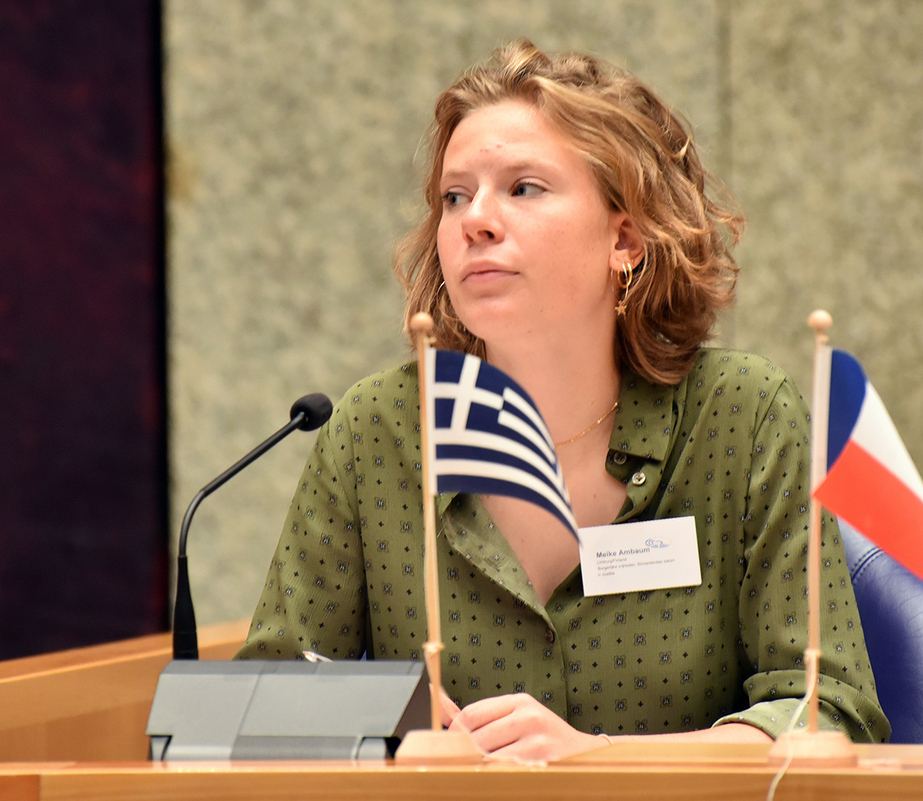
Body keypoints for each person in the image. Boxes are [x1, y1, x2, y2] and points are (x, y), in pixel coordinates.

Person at [234, 39, 889, 760]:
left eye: (523, 188)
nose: (474, 220)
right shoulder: (377, 431)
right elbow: (262, 705)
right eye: (456, 196)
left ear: (627, 237)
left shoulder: (743, 413)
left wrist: (599, 755)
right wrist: (386, 734)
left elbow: (827, 708)